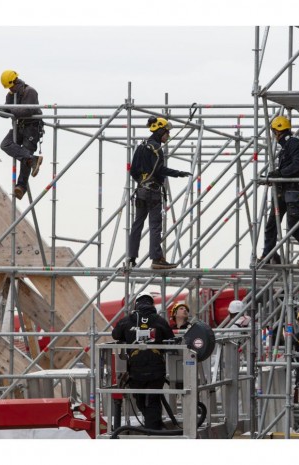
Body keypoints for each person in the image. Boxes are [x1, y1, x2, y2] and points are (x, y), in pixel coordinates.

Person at [128, 116, 192, 270]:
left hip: (141, 191)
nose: (168, 136)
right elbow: (159, 169)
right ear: (160, 130)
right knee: (155, 226)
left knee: (137, 224)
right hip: (153, 193)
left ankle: (131, 257)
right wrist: (178, 173)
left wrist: (142, 182)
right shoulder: (156, 149)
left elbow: (133, 171)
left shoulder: (141, 147)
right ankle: (157, 258)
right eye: (167, 133)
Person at [258, 116, 299, 267]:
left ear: (278, 131)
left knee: (293, 223)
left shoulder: (293, 143)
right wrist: (275, 175)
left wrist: (280, 173)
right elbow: (290, 166)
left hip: (291, 190)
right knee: (272, 224)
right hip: (282, 190)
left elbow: (298, 165)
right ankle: (269, 255)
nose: (273, 135)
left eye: (274, 132)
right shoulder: (286, 146)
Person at [111, 291, 175, 430]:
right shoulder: (159, 320)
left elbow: (115, 334)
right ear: (151, 304)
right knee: (153, 399)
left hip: (136, 367)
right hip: (156, 366)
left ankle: (153, 428)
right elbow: (170, 337)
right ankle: (154, 427)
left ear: (136, 304)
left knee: (139, 398)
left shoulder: (128, 320)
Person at [0, 70, 44, 200]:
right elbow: (6, 112)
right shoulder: (11, 95)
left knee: (26, 150)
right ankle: (31, 159)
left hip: (32, 126)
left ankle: (21, 187)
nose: (10, 89)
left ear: (16, 81)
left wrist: (10, 109)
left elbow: (27, 111)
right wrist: (0, 110)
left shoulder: (30, 92)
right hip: (20, 125)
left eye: (11, 86)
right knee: (5, 144)